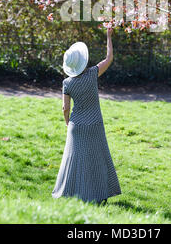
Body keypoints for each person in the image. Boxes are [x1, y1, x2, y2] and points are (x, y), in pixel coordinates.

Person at [51, 28, 121, 205]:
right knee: (97, 159)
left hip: (76, 126)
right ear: (83, 60)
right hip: (95, 124)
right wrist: (108, 37)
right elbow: (109, 58)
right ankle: (100, 195)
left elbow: (65, 108)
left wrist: (68, 124)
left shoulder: (66, 83)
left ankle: (71, 193)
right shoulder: (92, 75)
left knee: (73, 161)